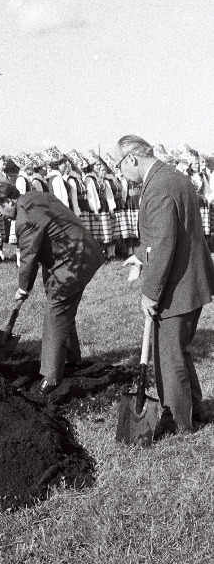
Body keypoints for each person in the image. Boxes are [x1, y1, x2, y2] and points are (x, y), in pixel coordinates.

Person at [117, 135, 214, 437]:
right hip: (192, 280)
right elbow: (172, 232)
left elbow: (163, 245)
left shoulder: (158, 187)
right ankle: (194, 408)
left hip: (177, 287)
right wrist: (138, 257)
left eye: (120, 167)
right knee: (178, 351)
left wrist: (150, 293)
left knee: (167, 356)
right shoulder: (174, 177)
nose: (122, 175)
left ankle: (179, 423)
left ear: (131, 158)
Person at [0, 181, 104, 396]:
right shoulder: (35, 197)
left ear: (9, 201)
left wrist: (23, 289)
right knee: (63, 309)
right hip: (77, 253)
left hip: (74, 260)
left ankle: (51, 378)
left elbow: (28, 257)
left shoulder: (25, 218)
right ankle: (71, 360)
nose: (0, 215)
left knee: (55, 312)